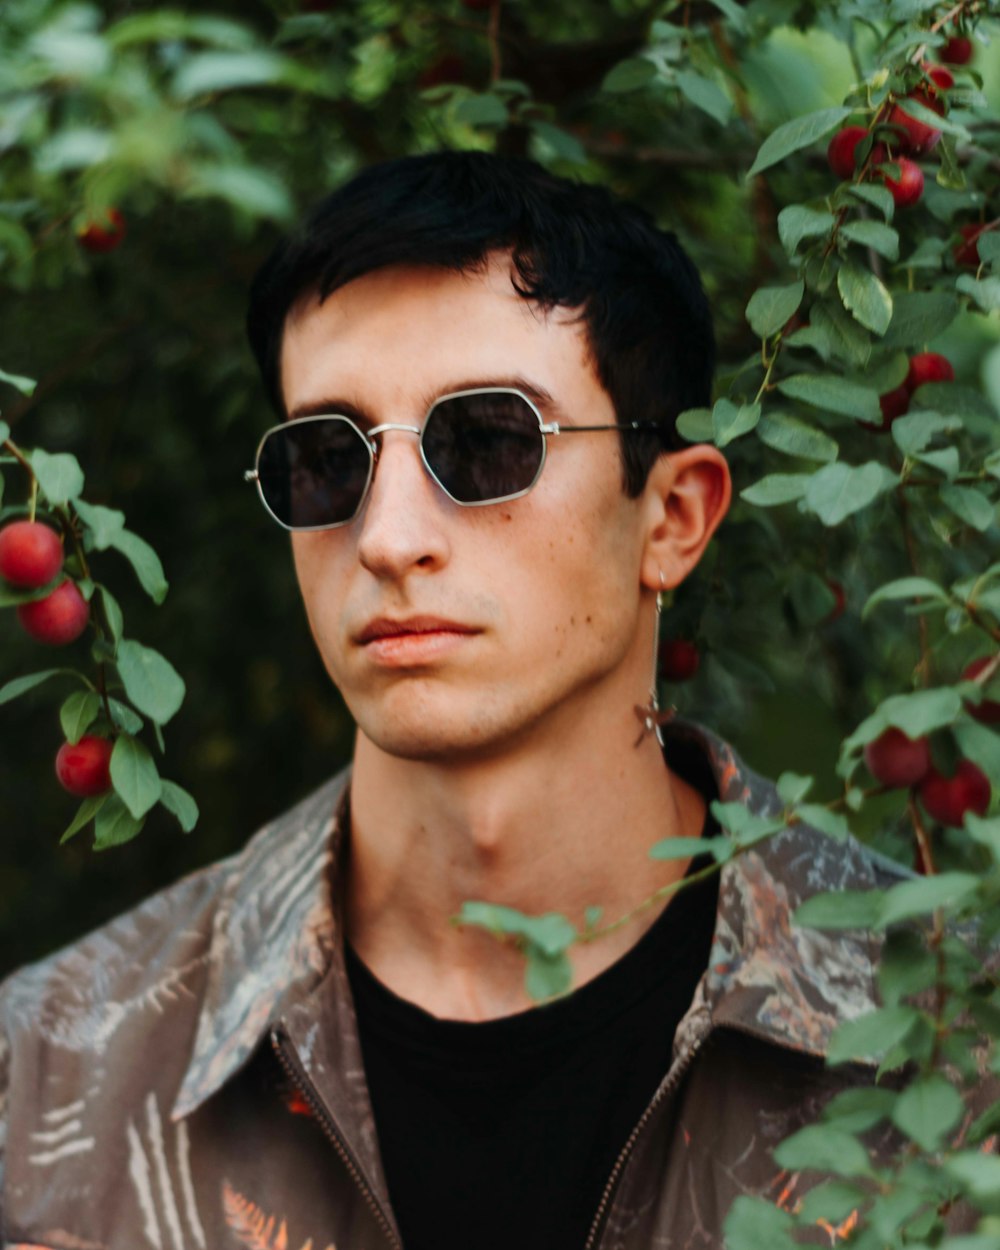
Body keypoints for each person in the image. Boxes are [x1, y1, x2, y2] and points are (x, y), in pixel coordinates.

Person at [0, 151, 904, 1250]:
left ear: (670, 517)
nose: (385, 537)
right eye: (327, 460)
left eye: (483, 442)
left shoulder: (944, 1030)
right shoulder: (47, 1079)